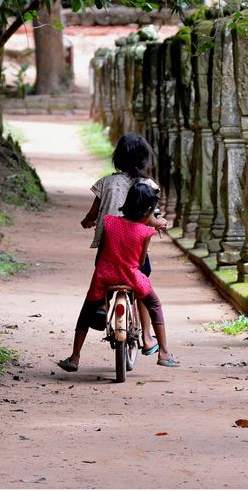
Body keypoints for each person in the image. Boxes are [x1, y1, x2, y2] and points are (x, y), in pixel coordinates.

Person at [60, 182, 180, 370]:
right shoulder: (145, 232)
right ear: (149, 210)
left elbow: (106, 248)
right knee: (154, 304)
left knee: (87, 309)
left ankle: (75, 356)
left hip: (104, 275)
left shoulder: (109, 222)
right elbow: (140, 263)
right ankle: (164, 353)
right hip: (131, 276)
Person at [81, 133, 159, 354]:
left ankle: (103, 306)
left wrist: (88, 221)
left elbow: (92, 214)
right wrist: (159, 223)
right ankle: (147, 337)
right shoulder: (149, 185)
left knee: (102, 278)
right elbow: (153, 217)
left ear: (117, 157)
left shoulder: (105, 183)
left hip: (108, 248)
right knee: (143, 286)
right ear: (144, 158)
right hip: (135, 251)